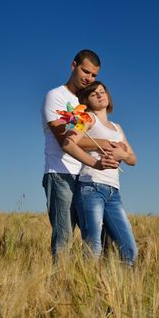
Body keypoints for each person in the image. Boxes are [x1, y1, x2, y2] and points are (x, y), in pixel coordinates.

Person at [41, 49, 119, 261]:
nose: (89, 78)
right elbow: (64, 138)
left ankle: (94, 284)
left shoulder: (88, 101)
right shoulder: (56, 96)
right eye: (86, 71)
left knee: (97, 235)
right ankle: (59, 284)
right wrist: (104, 144)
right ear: (73, 65)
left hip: (88, 177)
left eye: (94, 75)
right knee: (64, 235)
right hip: (61, 173)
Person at [62, 81, 138, 266]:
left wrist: (123, 155)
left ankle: (120, 292)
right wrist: (95, 163)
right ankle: (84, 290)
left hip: (114, 192)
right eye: (93, 93)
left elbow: (133, 159)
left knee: (129, 250)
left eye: (102, 91)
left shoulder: (117, 127)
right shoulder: (86, 119)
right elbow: (68, 143)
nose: (99, 95)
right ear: (86, 100)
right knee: (93, 248)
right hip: (91, 188)